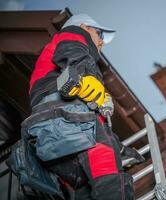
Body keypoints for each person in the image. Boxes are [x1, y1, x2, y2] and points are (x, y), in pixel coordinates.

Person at [25, 14, 141, 199]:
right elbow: (74, 53)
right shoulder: (73, 34)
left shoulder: (45, 65)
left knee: (84, 187)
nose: (101, 42)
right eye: (100, 34)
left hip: (49, 136)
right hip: (72, 119)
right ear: (84, 27)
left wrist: (121, 149)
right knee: (107, 173)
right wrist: (88, 76)